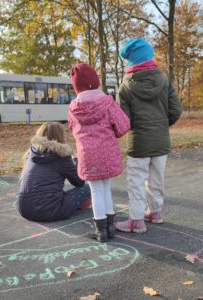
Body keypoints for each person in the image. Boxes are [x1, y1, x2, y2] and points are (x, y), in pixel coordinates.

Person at [115, 37, 182, 233]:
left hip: (139, 143)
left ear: (130, 61)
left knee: (136, 180)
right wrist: (161, 125)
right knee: (156, 178)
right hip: (161, 140)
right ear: (148, 56)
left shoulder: (125, 86)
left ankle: (136, 220)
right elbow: (176, 110)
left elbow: (124, 120)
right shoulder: (164, 80)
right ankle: (156, 212)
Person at [68, 63, 130, 242]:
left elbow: (73, 129)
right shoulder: (107, 103)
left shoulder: (73, 108)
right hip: (108, 152)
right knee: (106, 188)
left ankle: (101, 231)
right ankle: (110, 226)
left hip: (88, 155)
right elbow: (123, 125)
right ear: (95, 81)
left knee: (95, 190)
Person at [18, 121, 91, 222]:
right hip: (48, 212)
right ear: (60, 137)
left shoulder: (32, 152)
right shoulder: (61, 156)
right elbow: (79, 182)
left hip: (24, 209)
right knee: (88, 188)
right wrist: (76, 160)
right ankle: (75, 207)